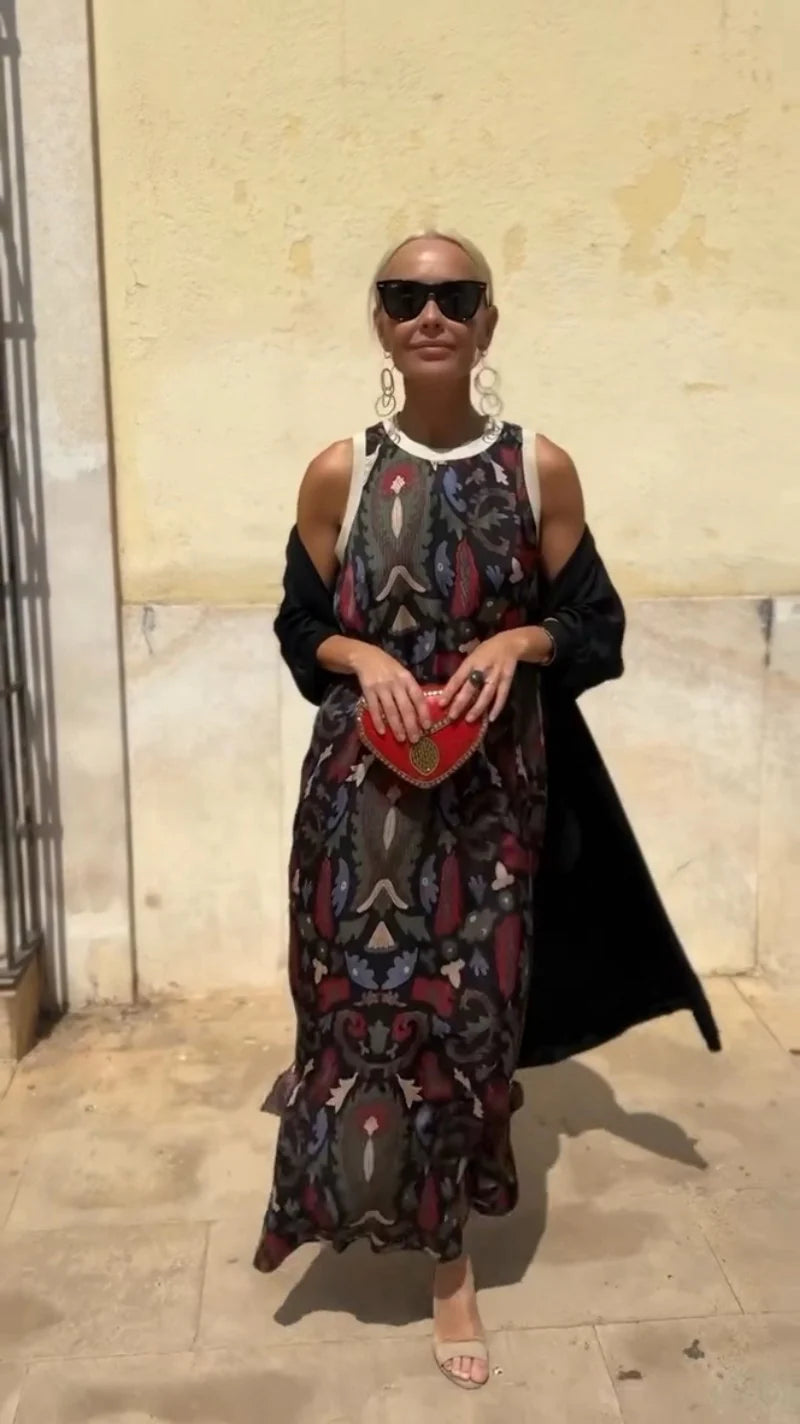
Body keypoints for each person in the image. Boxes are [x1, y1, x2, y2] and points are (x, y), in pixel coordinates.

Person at [254, 231, 719, 1391]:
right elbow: (298, 627)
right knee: (351, 1014)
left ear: (486, 323)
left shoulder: (536, 469)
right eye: (405, 294)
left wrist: (521, 638)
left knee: (465, 1029)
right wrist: (359, 652)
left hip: (490, 803)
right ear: (378, 321)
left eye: (454, 295)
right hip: (357, 801)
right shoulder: (338, 472)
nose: (431, 312)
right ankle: (336, 1197)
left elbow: (596, 623)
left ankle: (448, 1259)